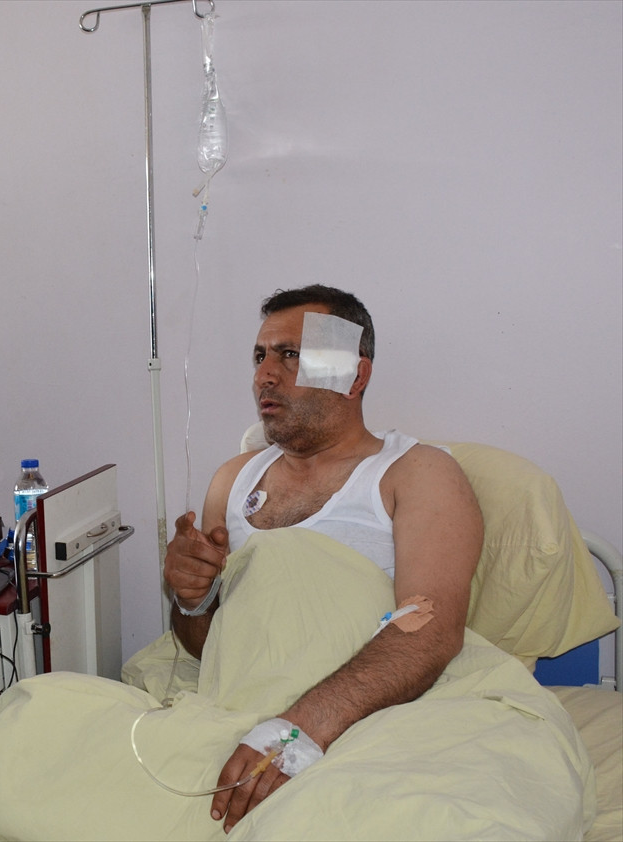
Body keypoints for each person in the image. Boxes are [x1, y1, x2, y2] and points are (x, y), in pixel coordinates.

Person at [163, 285, 484, 833]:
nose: (265, 376)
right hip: (233, 711)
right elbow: (209, 646)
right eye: (260, 356)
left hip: (365, 720)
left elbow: (430, 630)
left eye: (290, 355)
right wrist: (191, 599)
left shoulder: (416, 473)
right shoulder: (231, 480)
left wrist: (295, 732)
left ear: (355, 376)